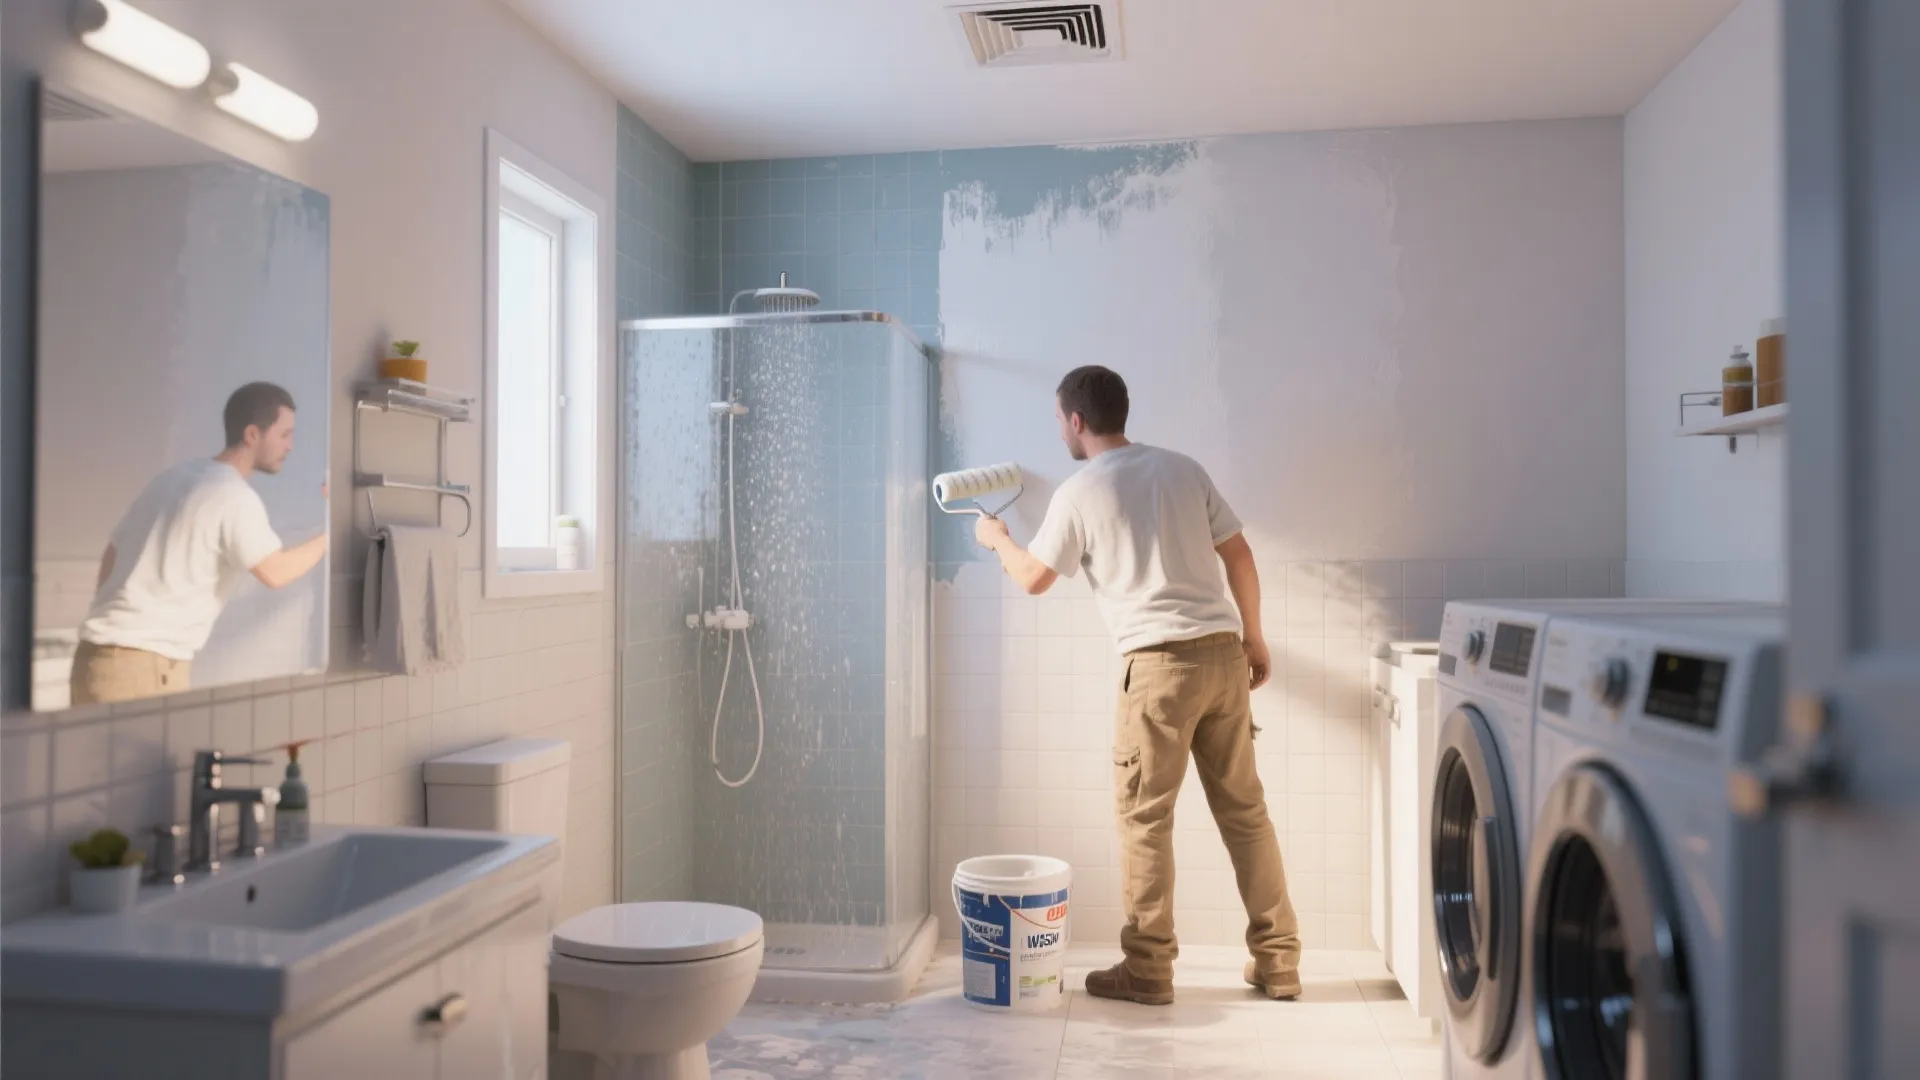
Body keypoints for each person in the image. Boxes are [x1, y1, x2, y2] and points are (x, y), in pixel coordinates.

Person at [974, 365, 1302, 1005]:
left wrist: (996, 539)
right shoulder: (1184, 469)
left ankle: (1149, 969)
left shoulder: (1079, 490)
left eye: (1060, 422)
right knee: (1246, 812)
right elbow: (1239, 553)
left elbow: (1035, 579)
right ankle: (1279, 961)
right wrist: (1254, 638)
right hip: (1222, 655)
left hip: (1157, 670)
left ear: (1075, 420)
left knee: (1145, 820)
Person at [70, 382, 329, 705]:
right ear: (252, 435)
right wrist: (333, 532)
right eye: (284, 434)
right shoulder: (232, 494)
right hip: (144, 665)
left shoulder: (173, 477)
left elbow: (112, 553)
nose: (290, 446)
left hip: (96, 657)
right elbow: (274, 572)